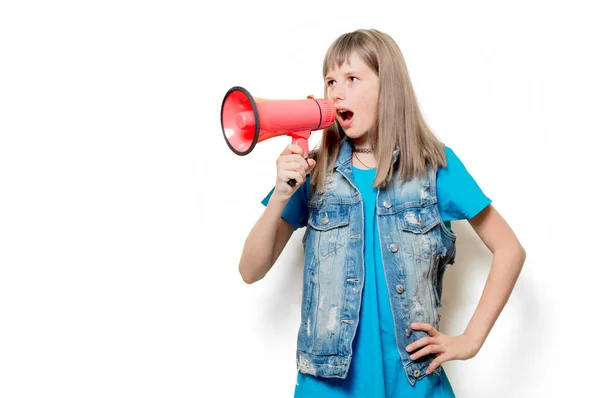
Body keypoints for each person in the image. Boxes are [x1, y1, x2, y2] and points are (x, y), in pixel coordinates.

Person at [238, 29, 526, 397]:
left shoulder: (435, 168)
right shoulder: (316, 171)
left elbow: (509, 249)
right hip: (327, 386)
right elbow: (250, 269)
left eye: (352, 79)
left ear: (387, 88)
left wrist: (470, 340)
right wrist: (281, 195)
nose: (336, 92)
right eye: (330, 81)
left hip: (412, 385)